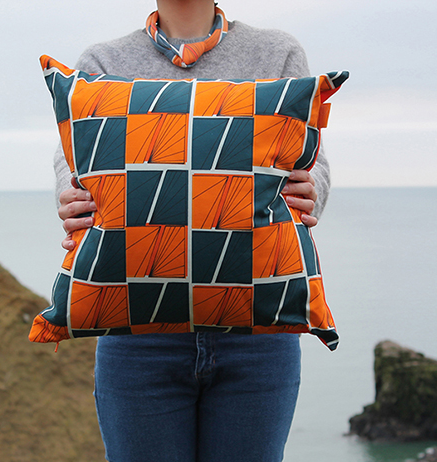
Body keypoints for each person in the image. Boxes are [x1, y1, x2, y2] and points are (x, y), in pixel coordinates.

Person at [54, 1, 332, 460]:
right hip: (137, 335)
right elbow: (73, 160)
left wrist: (311, 187)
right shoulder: (101, 62)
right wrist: (72, 196)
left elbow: (312, 157)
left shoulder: (277, 52)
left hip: (258, 336)